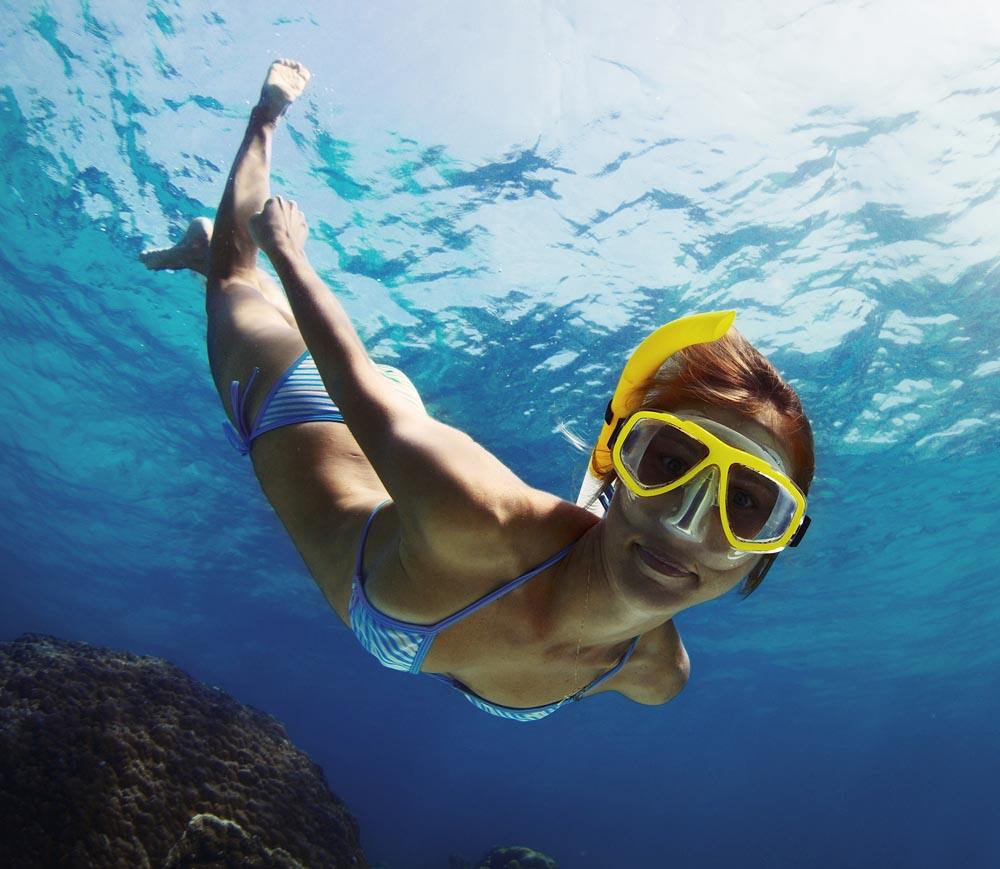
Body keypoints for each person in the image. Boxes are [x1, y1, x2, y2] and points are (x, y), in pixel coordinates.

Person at [142, 60, 814, 722]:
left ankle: (212, 251)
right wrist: (289, 256)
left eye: (748, 505)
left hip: (402, 439)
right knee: (235, 278)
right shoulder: (473, 516)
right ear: (617, 460)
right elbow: (352, 382)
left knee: (240, 283)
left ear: (772, 549)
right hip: (308, 403)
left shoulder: (655, 674)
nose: (686, 520)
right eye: (670, 461)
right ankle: (264, 124)